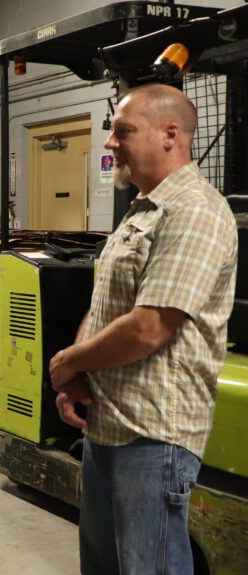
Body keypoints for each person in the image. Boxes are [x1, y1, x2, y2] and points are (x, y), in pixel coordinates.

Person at [49, 83, 237, 575]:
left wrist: (67, 361)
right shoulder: (143, 209)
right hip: (109, 426)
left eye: (122, 131)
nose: (110, 143)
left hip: (152, 436)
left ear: (170, 134)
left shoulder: (194, 210)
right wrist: (77, 378)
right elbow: (106, 305)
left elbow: (150, 327)